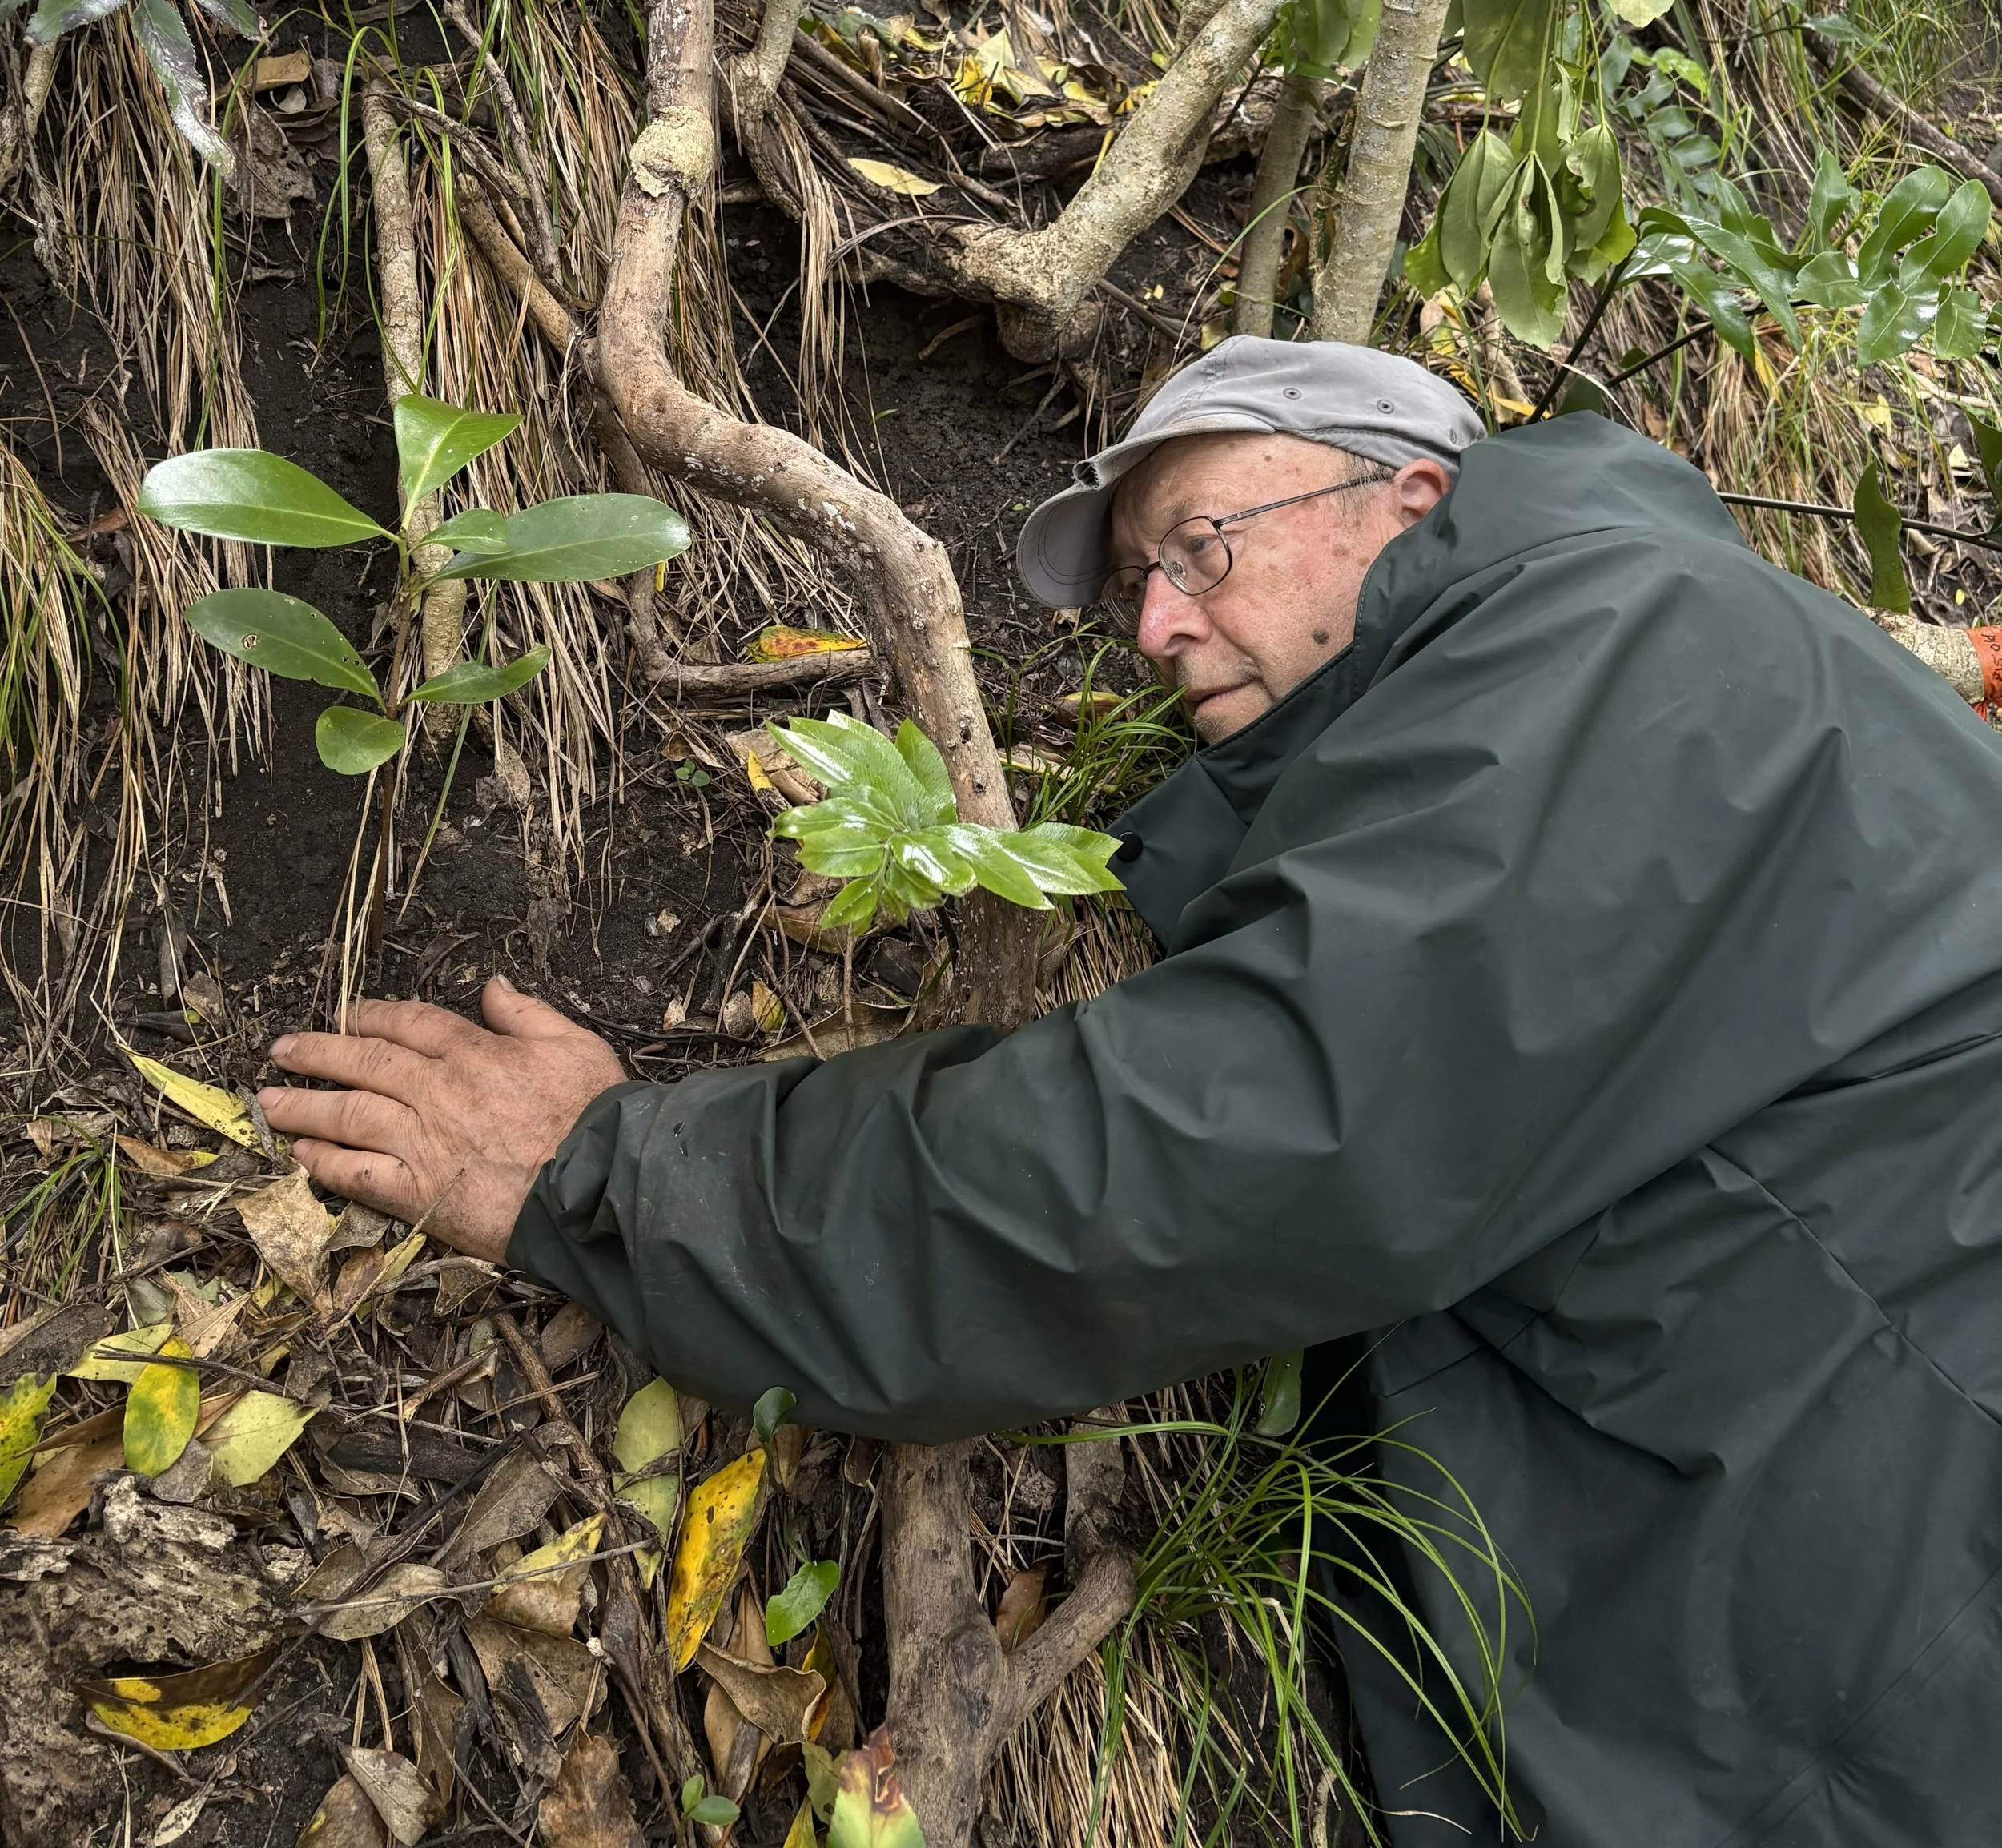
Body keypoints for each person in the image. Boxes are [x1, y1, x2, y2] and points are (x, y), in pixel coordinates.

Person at [259, 337, 2002, 1846]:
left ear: (1403, 497)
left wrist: (613, 1176)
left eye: (1202, 544)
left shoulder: (1621, 652)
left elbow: (1204, 1155)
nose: (1159, 622)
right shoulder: (1614, 657)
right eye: (1130, 593)